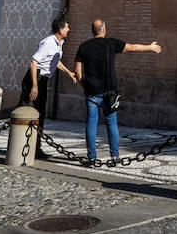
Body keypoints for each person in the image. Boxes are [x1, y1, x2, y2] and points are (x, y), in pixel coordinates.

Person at [72, 18, 161, 162]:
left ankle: (92, 157)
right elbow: (133, 47)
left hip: (92, 93)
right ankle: (115, 155)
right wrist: (150, 47)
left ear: (92, 31)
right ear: (104, 29)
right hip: (109, 94)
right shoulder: (111, 44)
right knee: (111, 123)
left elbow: (77, 71)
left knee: (91, 124)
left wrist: (86, 88)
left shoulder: (84, 46)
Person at [20, 17, 76, 158]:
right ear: (60, 29)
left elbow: (55, 62)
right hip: (34, 78)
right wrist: (34, 85)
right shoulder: (48, 42)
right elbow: (33, 63)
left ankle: (36, 148)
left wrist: (69, 73)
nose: (69, 30)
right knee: (22, 110)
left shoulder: (59, 43)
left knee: (39, 113)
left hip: (43, 80)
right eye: (67, 27)